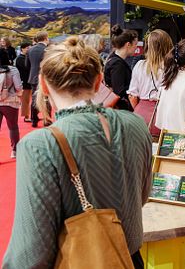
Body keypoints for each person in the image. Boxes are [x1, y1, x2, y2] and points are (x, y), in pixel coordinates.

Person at [2, 37, 152, 268]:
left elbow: (30, 252)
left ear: (42, 84)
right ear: (98, 82)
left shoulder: (39, 145)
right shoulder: (135, 124)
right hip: (129, 259)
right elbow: (141, 196)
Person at [128, 30, 173, 137]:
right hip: (165, 115)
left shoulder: (140, 65)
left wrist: (141, 110)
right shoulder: (172, 68)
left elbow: (132, 96)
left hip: (140, 115)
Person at [104, 25, 138, 111]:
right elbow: (119, 91)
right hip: (120, 110)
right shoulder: (117, 64)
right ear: (128, 44)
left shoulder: (113, 59)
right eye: (135, 44)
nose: (136, 47)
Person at [0, 49, 22, 158]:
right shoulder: (13, 70)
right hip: (10, 102)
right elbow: (18, 87)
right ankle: (15, 151)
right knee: (13, 127)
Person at [27, 31, 49, 127]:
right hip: (44, 77)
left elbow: (26, 65)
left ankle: (34, 120)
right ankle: (46, 119)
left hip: (33, 77)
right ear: (45, 38)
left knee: (35, 99)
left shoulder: (30, 50)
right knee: (46, 99)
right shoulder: (47, 50)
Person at [15, 41, 31, 123]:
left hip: (29, 81)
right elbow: (26, 68)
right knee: (25, 101)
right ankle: (26, 116)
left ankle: (29, 115)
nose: (29, 49)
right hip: (24, 82)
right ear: (22, 49)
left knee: (29, 100)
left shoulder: (27, 57)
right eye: (27, 48)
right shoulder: (20, 58)